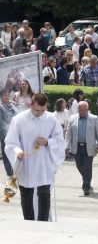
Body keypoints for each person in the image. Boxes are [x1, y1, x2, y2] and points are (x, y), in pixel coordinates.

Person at [5, 93, 65, 221]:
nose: (40, 113)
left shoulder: (51, 119)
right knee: (26, 195)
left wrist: (47, 142)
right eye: (37, 110)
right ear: (31, 104)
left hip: (43, 163)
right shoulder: (19, 119)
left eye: (43, 110)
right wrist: (17, 152)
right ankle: (28, 221)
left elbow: (60, 140)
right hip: (26, 163)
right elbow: (10, 142)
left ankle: (43, 222)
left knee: (44, 194)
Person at [65, 101, 98, 196]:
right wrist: (66, 146)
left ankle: (86, 186)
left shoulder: (94, 119)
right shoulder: (72, 118)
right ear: (77, 109)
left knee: (87, 166)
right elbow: (68, 134)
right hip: (77, 147)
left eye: (84, 110)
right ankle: (87, 178)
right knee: (79, 166)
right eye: (80, 110)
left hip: (89, 147)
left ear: (88, 109)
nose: (82, 112)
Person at [0, 89, 19, 177]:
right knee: (6, 152)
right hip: (5, 133)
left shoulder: (13, 104)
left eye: (8, 95)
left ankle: (16, 169)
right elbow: (1, 121)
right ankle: (9, 172)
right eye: (5, 95)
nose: (7, 96)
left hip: (16, 132)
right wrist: (9, 128)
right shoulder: (1, 106)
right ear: (1, 96)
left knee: (16, 150)